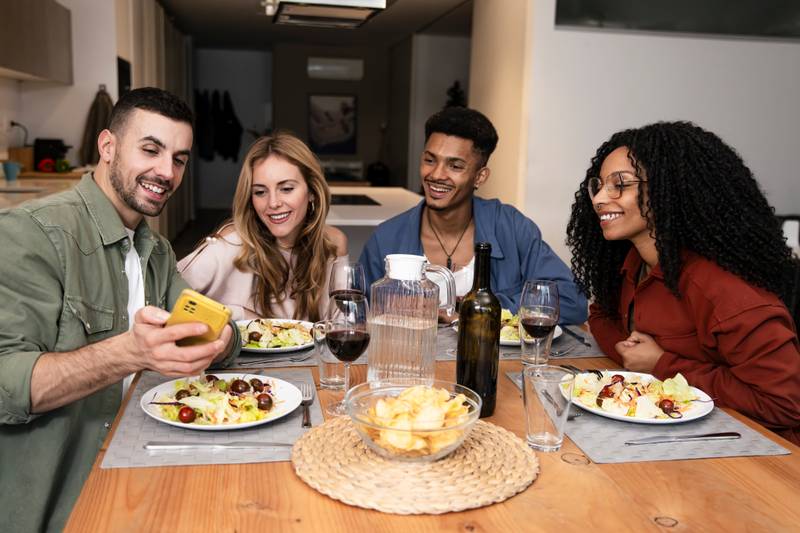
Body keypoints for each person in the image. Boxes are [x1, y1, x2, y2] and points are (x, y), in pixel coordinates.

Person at [0, 87, 240, 532]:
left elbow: (216, 323)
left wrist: (222, 338)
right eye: (150, 150)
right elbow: (6, 386)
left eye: (179, 159)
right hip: (62, 504)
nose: (166, 172)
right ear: (107, 146)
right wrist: (129, 353)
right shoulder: (31, 233)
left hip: (139, 467)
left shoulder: (157, 250)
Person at [566, 120, 800, 444]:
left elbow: (785, 405)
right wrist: (632, 355)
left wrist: (662, 365)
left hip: (754, 451)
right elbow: (602, 315)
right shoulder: (632, 261)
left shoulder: (724, 290)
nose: (599, 199)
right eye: (599, 185)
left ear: (669, 189)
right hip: (674, 432)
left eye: (620, 184)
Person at [359, 106, 587, 324]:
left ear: (480, 177)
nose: (436, 174)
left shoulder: (512, 228)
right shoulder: (386, 238)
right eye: (430, 160)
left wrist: (474, 308)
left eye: (455, 166)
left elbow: (571, 300)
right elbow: (359, 313)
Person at [178, 132, 348, 322]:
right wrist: (238, 314)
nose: (273, 203)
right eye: (260, 192)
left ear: (312, 192)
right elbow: (164, 299)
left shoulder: (332, 243)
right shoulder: (231, 244)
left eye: (286, 189)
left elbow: (343, 323)